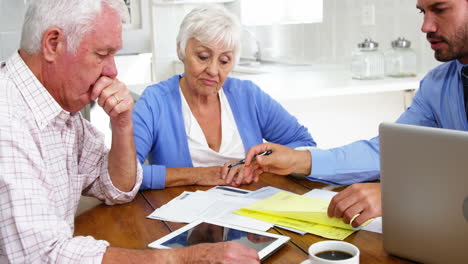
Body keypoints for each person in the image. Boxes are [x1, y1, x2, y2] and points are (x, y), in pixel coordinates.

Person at [0, 0, 259, 263]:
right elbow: (42, 257)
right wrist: (183, 258)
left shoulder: (61, 113)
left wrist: (122, 124)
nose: (113, 71)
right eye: (102, 54)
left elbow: (115, 186)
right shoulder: (8, 121)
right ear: (53, 44)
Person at [241, 0, 468, 229]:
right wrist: (301, 160)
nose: (425, 26)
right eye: (422, 12)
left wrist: (404, 194)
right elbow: (391, 153)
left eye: (439, 10)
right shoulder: (437, 84)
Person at [132, 6, 314, 190]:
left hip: (249, 209)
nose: (213, 71)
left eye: (224, 61)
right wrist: (199, 175)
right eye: (203, 57)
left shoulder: (248, 96)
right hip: (179, 214)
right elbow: (124, 175)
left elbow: (305, 145)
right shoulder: (155, 101)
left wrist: (260, 166)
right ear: (181, 50)